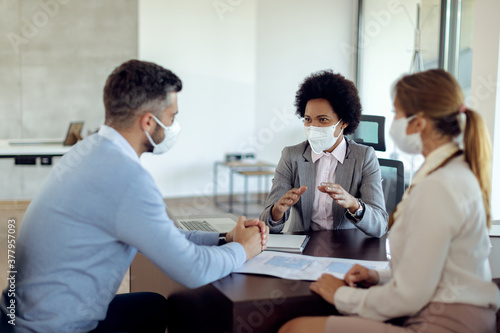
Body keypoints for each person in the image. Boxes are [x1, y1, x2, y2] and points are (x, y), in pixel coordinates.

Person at [0, 60, 269, 333]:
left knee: (152, 307)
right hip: (50, 329)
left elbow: (163, 235)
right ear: (149, 122)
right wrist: (243, 250)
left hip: (17, 317)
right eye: (172, 117)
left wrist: (226, 238)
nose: (174, 126)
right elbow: (193, 269)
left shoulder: (89, 150)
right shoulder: (126, 178)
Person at [279, 69, 500, 333]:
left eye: (396, 113)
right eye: (308, 119)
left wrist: (341, 295)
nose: (391, 122)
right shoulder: (451, 172)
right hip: (443, 311)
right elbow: (429, 269)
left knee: (294, 329)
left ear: (419, 123)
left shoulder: (438, 185)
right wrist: (379, 276)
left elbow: (409, 295)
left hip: (440, 321)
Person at [260, 70, 388, 238]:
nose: (313, 127)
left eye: (323, 120)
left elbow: (379, 226)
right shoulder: (291, 156)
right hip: (304, 246)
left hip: (348, 249)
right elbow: (266, 225)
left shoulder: (364, 157)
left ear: (344, 122)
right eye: (308, 119)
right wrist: (277, 211)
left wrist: (354, 205)